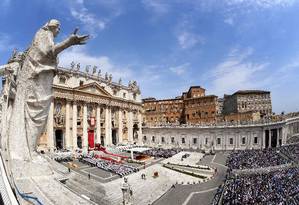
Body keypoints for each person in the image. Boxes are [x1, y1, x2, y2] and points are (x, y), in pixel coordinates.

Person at [7, 19, 89, 160]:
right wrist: (68, 42)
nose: (59, 31)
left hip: (40, 79)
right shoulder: (44, 34)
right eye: (58, 28)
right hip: (36, 80)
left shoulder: (46, 36)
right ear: (52, 26)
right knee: (36, 115)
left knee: (38, 116)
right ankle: (29, 149)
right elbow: (48, 52)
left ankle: (30, 148)